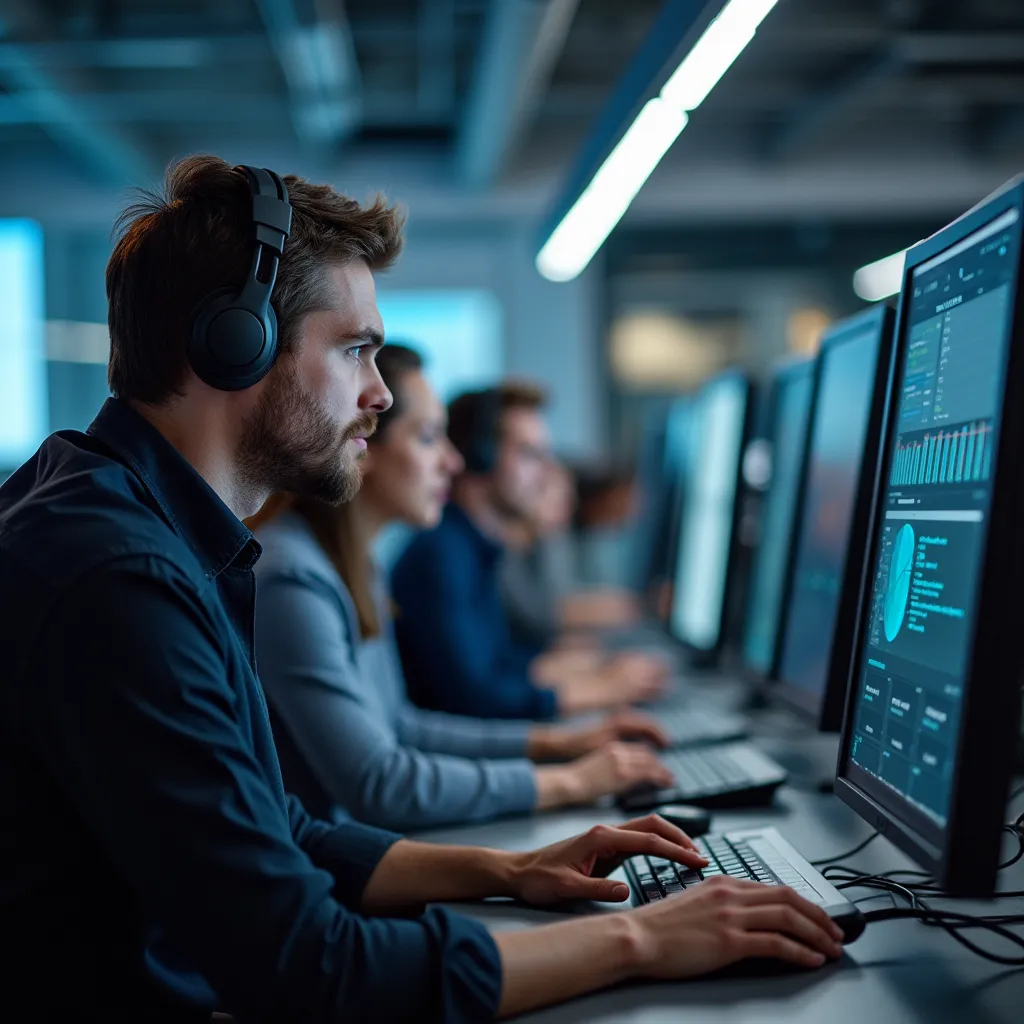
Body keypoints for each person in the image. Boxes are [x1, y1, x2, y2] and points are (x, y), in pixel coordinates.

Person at [0, 156, 843, 1020]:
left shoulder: (144, 529)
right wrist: (639, 940)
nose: (377, 395)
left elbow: (281, 832)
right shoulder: (117, 576)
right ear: (236, 343)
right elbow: (310, 968)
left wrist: (513, 869)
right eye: (356, 350)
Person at [250, 345, 675, 831]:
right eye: (429, 437)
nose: (453, 462)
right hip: (342, 867)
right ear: (362, 441)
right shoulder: (294, 576)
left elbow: (402, 725)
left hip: (368, 850)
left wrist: (565, 744)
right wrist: (570, 781)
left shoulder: (358, 567)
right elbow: (378, 783)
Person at [392, 383, 669, 719]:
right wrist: (601, 689)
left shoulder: (475, 548)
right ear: (480, 457)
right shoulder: (442, 554)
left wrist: (577, 668)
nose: (546, 472)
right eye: (529, 454)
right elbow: (477, 697)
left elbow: (497, 663)